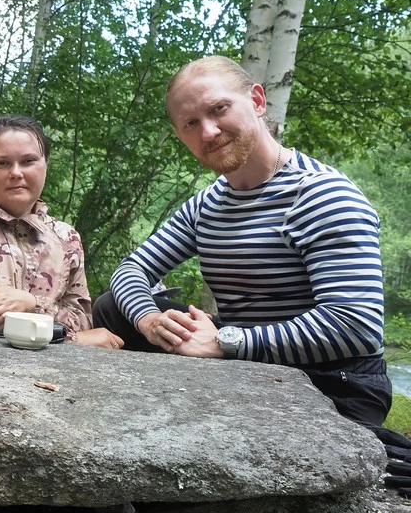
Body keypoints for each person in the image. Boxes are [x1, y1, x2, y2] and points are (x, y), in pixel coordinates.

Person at [93, 55, 391, 427]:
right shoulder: (208, 204)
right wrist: (151, 321)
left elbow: (356, 327)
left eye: (219, 109)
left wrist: (225, 342)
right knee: (113, 308)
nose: (208, 132)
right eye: (191, 123)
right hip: (246, 361)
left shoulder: (321, 194)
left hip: (335, 379)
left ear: (257, 101)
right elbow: (132, 269)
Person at [0, 115, 122, 348]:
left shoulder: (66, 238)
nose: (16, 173)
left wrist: (30, 303)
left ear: (45, 165)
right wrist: (69, 337)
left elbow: (81, 318)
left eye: (28, 161)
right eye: (2, 163)